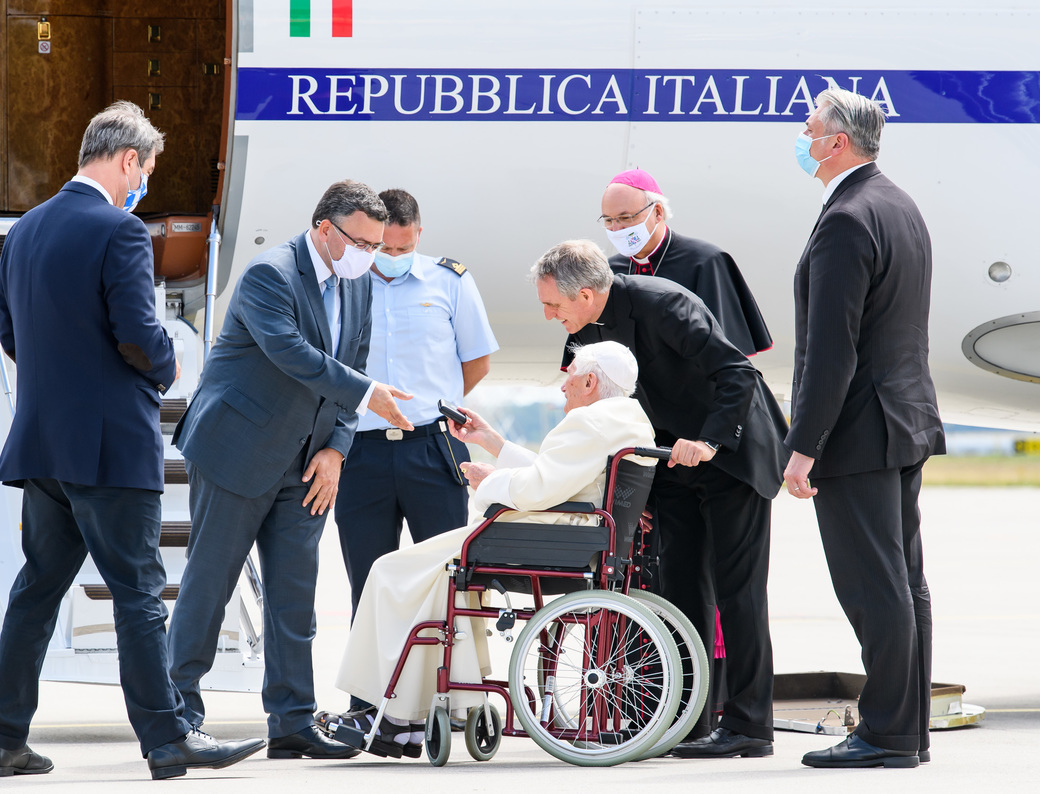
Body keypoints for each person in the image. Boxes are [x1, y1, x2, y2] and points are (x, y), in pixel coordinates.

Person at [0, 101, 264, 780]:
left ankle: (3, 738)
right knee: (139, 591)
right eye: (149, 168)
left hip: (43, 445)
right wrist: (165, 366)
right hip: (107, 446)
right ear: (129, 159)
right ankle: (168, 740)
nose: (147, 183)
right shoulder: (121, 231)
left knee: (38, 589)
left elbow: (11, 338)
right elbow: (139, 335)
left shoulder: (22, 234)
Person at [168, 180, 413, 761]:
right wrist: (370, 394)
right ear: (325, 230)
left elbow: (351, 366)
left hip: (309, 463)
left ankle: (293, 721)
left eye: (379, 246)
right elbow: (295, 356)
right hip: (238, 450)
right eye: (362, 243)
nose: (370, 257)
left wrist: (338, 450)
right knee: (210, 586)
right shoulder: (270, 275)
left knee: (294, 597)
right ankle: (178, 720)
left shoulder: (358, 286)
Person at [326, 341, 656, 754]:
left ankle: (395, 714)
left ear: (590, 381)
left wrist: (489, 480)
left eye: (569, 376)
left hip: (544, 540)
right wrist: (495, 444)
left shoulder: (587, 422)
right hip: (578, 539)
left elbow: (539, 487)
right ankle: (417, 713)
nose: (562, 386)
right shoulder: (627, 419)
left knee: (391, 571)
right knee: (431, 575)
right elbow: (560, 476)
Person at [534, 240, 787, 758]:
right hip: (670, 459)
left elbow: (738, 374)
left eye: (553, 305)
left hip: (729, 453)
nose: (547, 316)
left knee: (739, 593)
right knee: (679, 591)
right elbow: (586, 401)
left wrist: (710, 442)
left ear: (584, 294)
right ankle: (688, 720)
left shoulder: (665, 303)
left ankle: (750, 726)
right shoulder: (580, 327)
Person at [786, 89, 944, 770]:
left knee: (874, 586)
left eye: (811, 128)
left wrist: (803, 446)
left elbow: (832, 350)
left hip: (859, 430)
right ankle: (908, 730)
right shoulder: (897, 204)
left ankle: (885, 734)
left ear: (838, 143)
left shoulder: (847, 218)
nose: (803, 136)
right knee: (904, 581)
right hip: (904, 419)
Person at [333, 188, 498, 712]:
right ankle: (369, 705)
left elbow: (476, 362)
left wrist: (433, 403)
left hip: (432, 447)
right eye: (386, 248)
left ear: (419, 236)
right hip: (361, 452)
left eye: (403, 250)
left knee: (449, 577)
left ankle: (450, 697)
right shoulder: (345, 282)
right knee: (369, 578)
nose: (393, 258)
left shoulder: (451, 280)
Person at [593, 168, 771, 356]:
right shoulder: (609, 271)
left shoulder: (706, 262)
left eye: (625, 218)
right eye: (608, 220)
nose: (616, 228)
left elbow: (725, 354)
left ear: (658, 212)